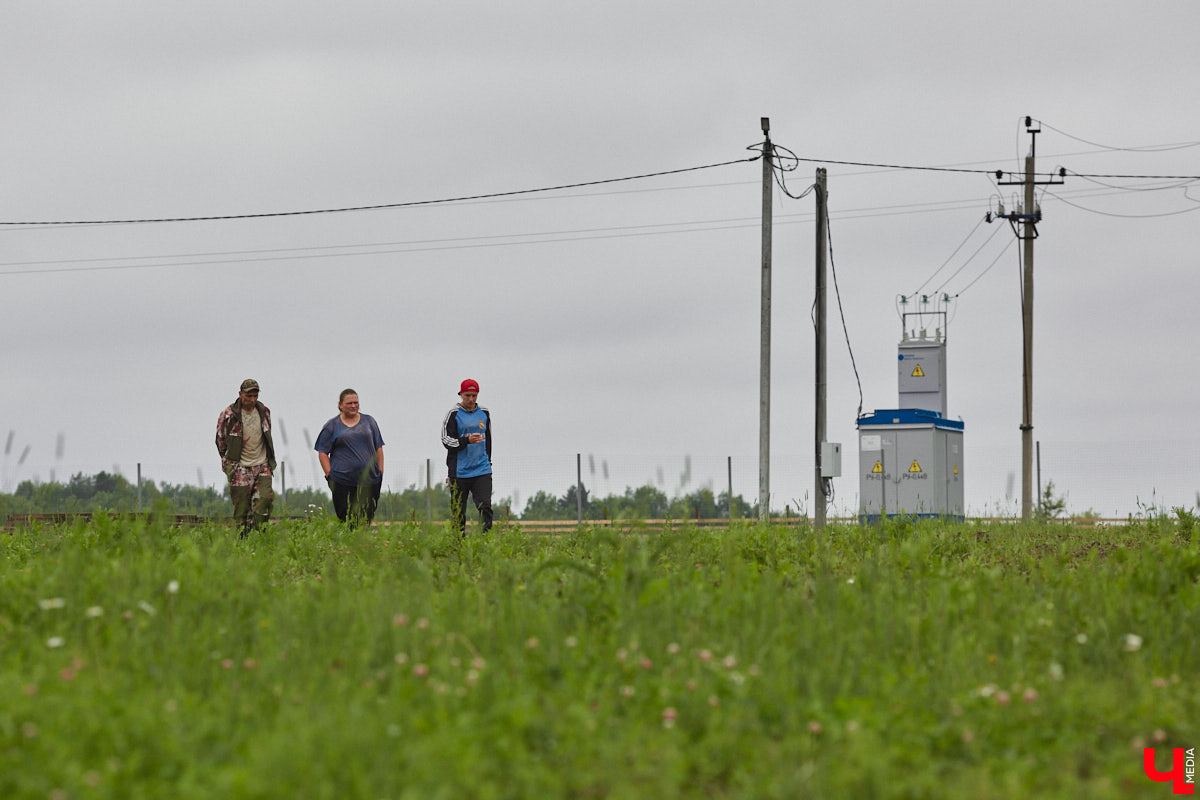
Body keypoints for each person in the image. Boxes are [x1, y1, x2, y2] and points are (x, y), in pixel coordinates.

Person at [215, 378, 277, 538]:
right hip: (239, 467)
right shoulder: (228, 414)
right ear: (240, 394)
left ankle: (260, 535)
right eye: (249, 396)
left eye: (255, 396)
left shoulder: (264, 412)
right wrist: (228, 461)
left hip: (262, 464)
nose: (252, 400)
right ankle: (243, 541)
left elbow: (268, 435)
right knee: (242, 508)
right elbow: (220, 440)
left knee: (265, 499)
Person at [315, 389, 386, 523]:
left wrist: (380, 471)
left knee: (366, 519)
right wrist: (330, 475)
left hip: (370, 481)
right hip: (342, 481)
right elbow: (322, 452)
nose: (353, 406)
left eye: (356, 403)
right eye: (349, 403)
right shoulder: (332, 426)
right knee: (346, 519)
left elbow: (379, 448)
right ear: (340, 405)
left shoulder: (369, 422)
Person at [441, 378, 493, 534]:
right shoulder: (453, 414)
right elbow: (446, 440)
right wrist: (466, 441)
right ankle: (458, 541)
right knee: (458, 511)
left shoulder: (484, 412)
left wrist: (488, 460)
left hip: (482, 469)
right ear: (461, 395)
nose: (471, 399)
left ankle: (486, 539)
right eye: (467, 395)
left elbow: (488, 439)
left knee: (485, 506)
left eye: (474, 396)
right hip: (459, 471)